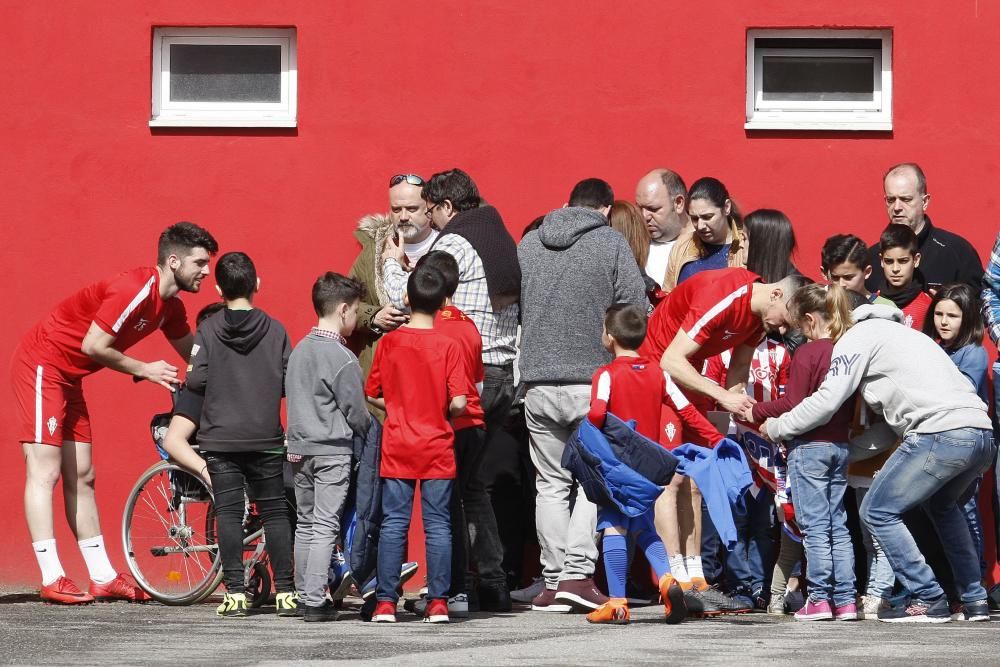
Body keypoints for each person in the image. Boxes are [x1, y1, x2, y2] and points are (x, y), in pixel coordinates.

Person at [11, 221, 217, 604]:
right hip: (43, 364)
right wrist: (144, 368)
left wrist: (237, 377)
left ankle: (102, 576)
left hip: (71, 377)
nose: (207, 271)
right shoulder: (135, 289)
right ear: (173, 261)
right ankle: (51, 575)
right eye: (200, 262)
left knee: (84, 474)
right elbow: (94, 344)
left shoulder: (169, 307)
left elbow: (194, 356)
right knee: (46, 470)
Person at [759, 300, 995, 623]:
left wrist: (777, 427)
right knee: (942, 505)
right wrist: (847, 452)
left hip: (940, 432)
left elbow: (827, 401)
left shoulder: (857, 338)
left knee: (875, 510)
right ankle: (975, 599)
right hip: (981, 435)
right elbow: (888, 430)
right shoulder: (909, 336)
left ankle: (930, 597)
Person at [641, 266, 808, 613]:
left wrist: (743, 407)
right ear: (776, 293)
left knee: (698, 483)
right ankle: (673, 579)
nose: (780, 329)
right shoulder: (725, 296)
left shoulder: (759, 319)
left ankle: (696, 579)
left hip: (690, 381)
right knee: (671, 481)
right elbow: (671, 359)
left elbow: (738, 371)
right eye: (783, 321)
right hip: (659, 377)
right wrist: (723, 395)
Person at [518, 178, 647, 613]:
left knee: (550, 484)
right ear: (606, 210)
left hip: (536, 382)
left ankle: (552, 581)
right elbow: (634, 307)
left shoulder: (530, 243)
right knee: (593, 483)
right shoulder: (610, 243)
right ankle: (576, 573)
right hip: (591, 383)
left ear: (566, 203)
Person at [184, 251, 295, 618]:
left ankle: (235, 593)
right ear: (257, 284)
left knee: (229, 514)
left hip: (219, 439)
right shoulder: (276, 330)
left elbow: (196, 379)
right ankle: (286, 593)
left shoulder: (208, 330)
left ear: (217, 289)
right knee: (276, 512)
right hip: (264, 436)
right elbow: (287, 380)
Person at [746, 284, 860, 622]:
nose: (791, 333)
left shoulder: (808, 354)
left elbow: (793, 403)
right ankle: (846, 600)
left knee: (813, 526)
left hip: (809, 448)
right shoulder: (843, 350)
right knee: (837, 524)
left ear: (809, 320)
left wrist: (758, 410)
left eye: (795, 326)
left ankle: (820, 598)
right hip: (840, 446)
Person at [403, 250, 507, 618]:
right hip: (474, 424)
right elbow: (477, 380)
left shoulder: (423, 329)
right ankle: (493, 582)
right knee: (472, 495)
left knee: (444, 507)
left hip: (444, 424)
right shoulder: (467, 325)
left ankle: (451, 587)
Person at [365, 265, 469, 624]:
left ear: (407, 298)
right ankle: (438, 601)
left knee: (394, 522)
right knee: (438, 524)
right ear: (443, 302)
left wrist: (396, 407)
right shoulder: (449, 344)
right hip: (437, 442)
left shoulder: (390, 342)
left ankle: (385, 603)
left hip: (398, 441)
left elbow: (372, 392)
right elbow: (459, 403)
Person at [584, 304, 687, 625]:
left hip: (618, 465)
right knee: (643, 527)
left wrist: (586, 429)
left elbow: (598, 412)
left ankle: (617, 602)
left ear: (609, 337)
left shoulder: (606, 374)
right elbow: (684, 408)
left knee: (614, 525)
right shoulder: (657, 372)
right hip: (648, 465)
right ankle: (669, 579)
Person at [285, 273, 371, 622]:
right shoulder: (342, 358)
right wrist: (368, 430)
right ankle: (317, 600)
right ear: (343, 309)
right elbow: (356, 412)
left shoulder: (298, 351)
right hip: (332, 449)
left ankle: (305, 594)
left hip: (299, 447)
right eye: (355, 313)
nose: (356, 320)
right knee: (325, 524)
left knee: (305, 522)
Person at [923, 283, 990, 582]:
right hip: (937, 443)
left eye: (953, 315)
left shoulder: (973, 354)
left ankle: (974, 581)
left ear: (969, 319)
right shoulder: (936, 350)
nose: (944, 321)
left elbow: (954, 394)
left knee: (966, 512)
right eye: (938, 313)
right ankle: (956, 585)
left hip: (964, 444)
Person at [348, 174, 430, 404]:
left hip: (430, 375)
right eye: (396, 209)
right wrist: (374, 317)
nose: (403, 217)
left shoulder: (447, 246)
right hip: (382, 385)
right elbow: (346, 303)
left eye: (412, 208)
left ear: (429, 208)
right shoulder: (373, 250)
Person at [866, 163, 983, 293]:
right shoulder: (871, 258)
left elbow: (979, 305)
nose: (897, 207)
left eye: (906, 199)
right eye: (891, 200)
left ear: (925, 202)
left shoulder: (958, 252)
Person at [663, 177, 748, 292]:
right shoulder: (682, 246)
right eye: (694, 218)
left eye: (707, 217)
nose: (700, 226)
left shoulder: (746, 246)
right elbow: (667, 297)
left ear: (726, 207)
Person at [635, 168, 689, 289]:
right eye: (640, 208)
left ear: (679, 203)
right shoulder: (633, 244)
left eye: (653, 209)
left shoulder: (702, 244)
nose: (645, 216)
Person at [877, 224, 932, 329]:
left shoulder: (928, 307)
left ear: (916, 260)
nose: (895, 269)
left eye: (903, 261)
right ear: (881, 260)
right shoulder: (872, 304)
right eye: (889, 261)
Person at [821, 234, 896, 307]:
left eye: (848, 277)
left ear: (867, 272)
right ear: (825, 274)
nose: (841, 284)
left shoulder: (885, 308)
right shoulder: (821, 306)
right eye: (835, 278)